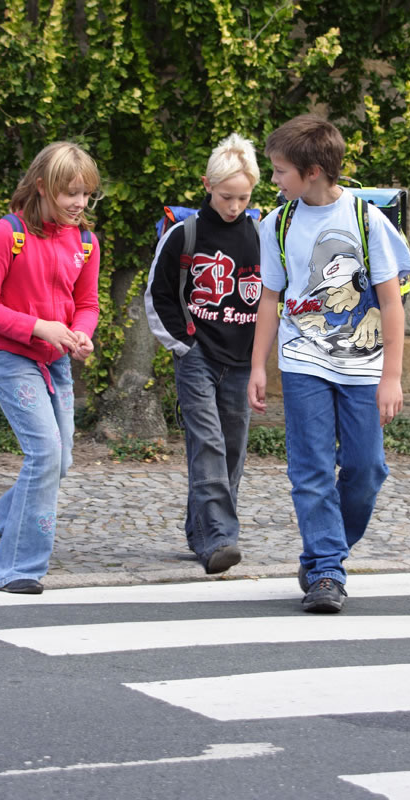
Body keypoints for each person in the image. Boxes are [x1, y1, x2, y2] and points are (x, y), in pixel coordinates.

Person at [248, 115, 410, 612]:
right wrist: (259, 367)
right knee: (312, 469)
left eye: (280, 171)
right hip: (304, 363)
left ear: (314, 171)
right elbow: (268, 301)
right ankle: (325, 569)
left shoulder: (367, 221)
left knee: (367, 469)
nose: (274, 180)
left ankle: (327, 548)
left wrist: (392, 378)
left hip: (365, 369)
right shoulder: (275, 224)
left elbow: (391, 303)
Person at [0, 142, 101, 594]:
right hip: (9, 356)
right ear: (43, 187)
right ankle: (19, 568)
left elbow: (87, 304)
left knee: (59, 461)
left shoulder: (85, 240)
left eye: (86, 195)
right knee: (44, 454)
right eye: (70, 194)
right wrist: (41, 327)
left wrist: (82, 333)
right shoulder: (5, 234)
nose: (79, 204)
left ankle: (11, 515)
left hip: (56, 358)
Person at [145, 133, 261, 574]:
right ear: (207, 186)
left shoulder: (260, 233)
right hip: (197, 355)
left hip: (242, 359)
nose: (234, 206)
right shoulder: (185, 234)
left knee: (232, 447)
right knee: (208, 443)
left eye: (243, 198)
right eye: (227, 197)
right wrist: (183, 345)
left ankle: (202, 531)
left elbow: (273, 293)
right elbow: (158, 295)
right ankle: (219, 538)